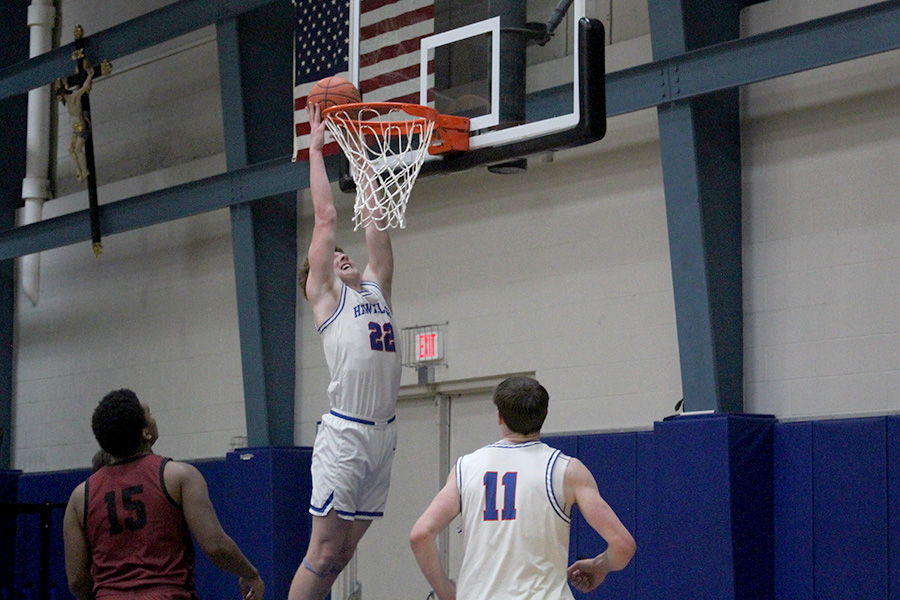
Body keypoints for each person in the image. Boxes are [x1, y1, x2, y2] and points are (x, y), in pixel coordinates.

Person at [288, 103, 402, 600]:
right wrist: (316, 149)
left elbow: (376, 226)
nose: (340, 253)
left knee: (344, 554)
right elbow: (327, 217)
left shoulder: (375, 290)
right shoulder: (328, 300)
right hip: (347, 432)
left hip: (384, 434)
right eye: (329, 257)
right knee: (322, 552)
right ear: (317, 277)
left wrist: (361, 156)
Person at [410, 376, 636, 600]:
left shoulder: (465, 468)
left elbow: (420, 535)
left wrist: (446, 593)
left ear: (499, 416)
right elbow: (623, 546)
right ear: (544, 414)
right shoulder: (567, 471)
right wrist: (599, 565)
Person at [62, 389, 265, 600]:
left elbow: (77, 580)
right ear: (145, 433)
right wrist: (250, 573)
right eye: (149, 414)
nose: (153, 417)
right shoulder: (179, 476)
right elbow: (215, 546)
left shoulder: (80, 497)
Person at [56, 68, 94, 182]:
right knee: (70, 149)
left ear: (62, 94)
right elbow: (65, 86)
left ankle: (84, 171)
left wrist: (90, 75)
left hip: (82, 126)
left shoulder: (74, 97)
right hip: (76, 127)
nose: (58, 100)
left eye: (58, 97)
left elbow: (84, 88)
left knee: (78, 149)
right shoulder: (67, 101)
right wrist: (63, 81)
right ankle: (78, 171)